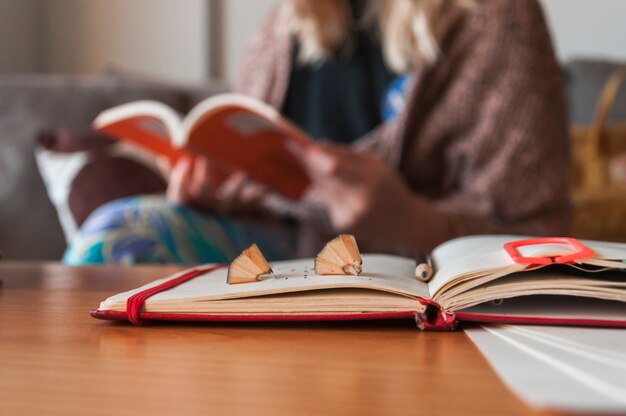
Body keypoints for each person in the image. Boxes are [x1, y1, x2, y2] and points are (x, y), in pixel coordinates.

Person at [64, 0, 570, 265]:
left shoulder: (497, 21)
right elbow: (264, 197)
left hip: (410, 278)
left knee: (123, 232)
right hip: (283, 266)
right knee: (125, 233)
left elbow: (542, 239)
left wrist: (412, 222)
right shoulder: (280, 29)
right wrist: (218, 201)